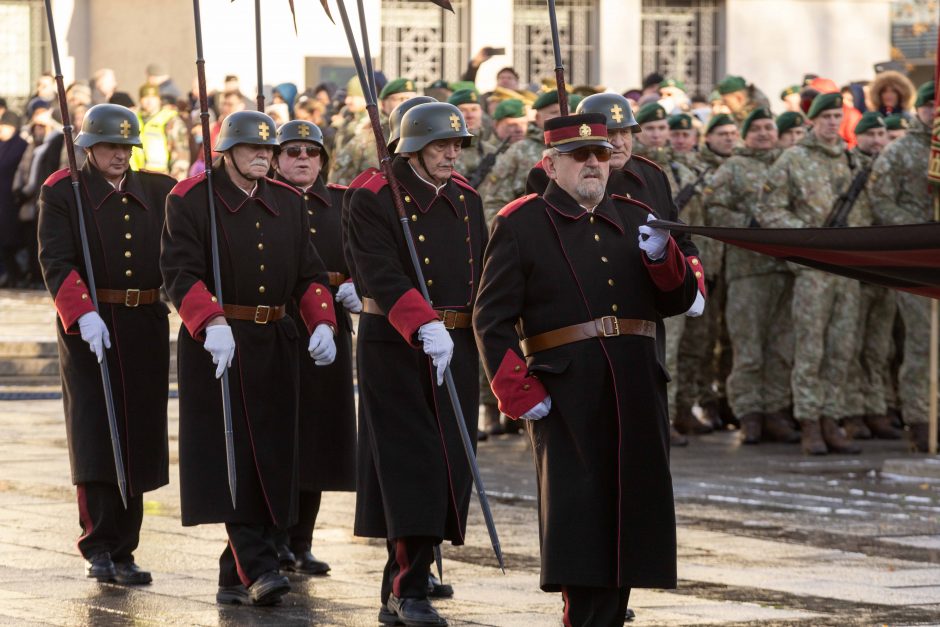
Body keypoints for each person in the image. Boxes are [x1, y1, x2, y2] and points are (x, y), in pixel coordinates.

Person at [474, 112, 698, 627]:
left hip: (637, 380)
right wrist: (517, 389)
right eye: (579, 157)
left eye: (600, 154)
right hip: (568, 385)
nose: (593, 164)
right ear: (551, 165)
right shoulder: (520, 221)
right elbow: (492, 317)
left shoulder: (638, 214)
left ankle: (613, 616)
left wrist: (666, 259)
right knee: (581, 514)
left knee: (632, 512)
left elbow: (679, 300)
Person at [161, 110, 338, 605]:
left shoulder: (286, 201)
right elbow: (178, 270)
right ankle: (258, 567)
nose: (263, 156)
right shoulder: (191, 199)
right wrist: (209, 320)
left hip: (276, 341)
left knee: (273, 457)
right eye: (252, 149)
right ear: (228, 152)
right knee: (230, 455)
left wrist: (320, 318)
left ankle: (231, 575)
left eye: (268, 149)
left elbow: (309, 272)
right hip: (219, 342)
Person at [346, 102, 485, 627]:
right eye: (440, 146)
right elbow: (376, 269)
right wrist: (420, 321)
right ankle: (407, 589)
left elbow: (482, 272)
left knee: (450, 460)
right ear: (413, 148)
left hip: (457, 343)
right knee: (412, 465)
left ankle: (408, 576)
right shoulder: (374, 194)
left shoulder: (467, 199)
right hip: (397, 344)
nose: (452, 154)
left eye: (457, 145)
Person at [38, 104, 176, 585]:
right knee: (97, 431)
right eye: (109, 146)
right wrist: (81, 313)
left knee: (138, 431)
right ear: (88, 148)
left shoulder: (158, 190)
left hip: (144, 322)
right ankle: (97, 543)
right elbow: (55, 260)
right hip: (93, 324)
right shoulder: (63, 191)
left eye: (126, 147)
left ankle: (126, 547)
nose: (119, 155)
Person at [271, 119, 358, 574]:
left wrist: (357, 286)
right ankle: (277, 539)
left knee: (319, 435)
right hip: (280, 324)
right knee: (281, 433)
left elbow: (366, 252)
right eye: (292, 151)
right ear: (277, 158)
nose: (303, 158)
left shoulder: (342, 203)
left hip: (330, 327)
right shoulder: (266, 203)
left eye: (311, 152)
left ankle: (301, 541)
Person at [756, 92, 863, 455]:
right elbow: (769, 210)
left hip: (847, 268)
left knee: (842, 348)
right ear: (812, 121)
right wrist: (808, 236)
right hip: (813, 269)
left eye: (838, 116)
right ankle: (810, 422)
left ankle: (833, 418)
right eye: (827, 116)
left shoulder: (853, 160)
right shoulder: (793, 159)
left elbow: (868, 210)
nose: (833, 122)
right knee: (810, 347)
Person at [705, 108, 799, 444]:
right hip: (748, 270)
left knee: (781, 346)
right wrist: (748, 225)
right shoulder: (734, 167)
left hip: (785, 268)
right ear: (745, 134)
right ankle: (750, 414)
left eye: (768, 127)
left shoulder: (789, 162)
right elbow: (712, 207)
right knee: (748, 346)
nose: (763, 133)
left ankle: (775, 410)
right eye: (755, 128)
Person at [869, 81, 938, 452]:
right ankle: (921, 418)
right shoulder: (900, 151)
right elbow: (881, 199)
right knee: (921, 342)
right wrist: (915, 231)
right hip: (916, 260)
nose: (933, 115)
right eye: (929, 109)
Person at [840, 112, 903, 441]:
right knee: (852, 343)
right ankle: (852, 411)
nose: (878, 140)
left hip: (884, 264)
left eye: (882, 133)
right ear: (858, 136)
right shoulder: (848, 165)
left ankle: (876, 406)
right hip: (854, 263)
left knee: (880, 346)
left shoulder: (890, 167)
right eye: (871, 134)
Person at [479, 90, 561, 221]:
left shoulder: (577, 150)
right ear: (538, 118)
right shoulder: (519, 150)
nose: (560, 116)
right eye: (554, 113)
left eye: (564, 111)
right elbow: (495, 202)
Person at [130, 84, 189, 179]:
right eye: (145, 97)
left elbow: (181, 153)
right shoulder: (133, 119)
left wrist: (176, 182)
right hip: (136, 177)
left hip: (162, 176)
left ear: (159, 99)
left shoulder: (171, 120)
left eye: (153, 98)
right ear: (140, 100)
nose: (149, 101)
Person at [0, 111, 26, 287]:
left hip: (12, 200)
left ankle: (16, 274)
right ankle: (9, 274)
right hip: (2, 199)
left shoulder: (20, 145)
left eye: (5, 127)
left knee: (11, 239)